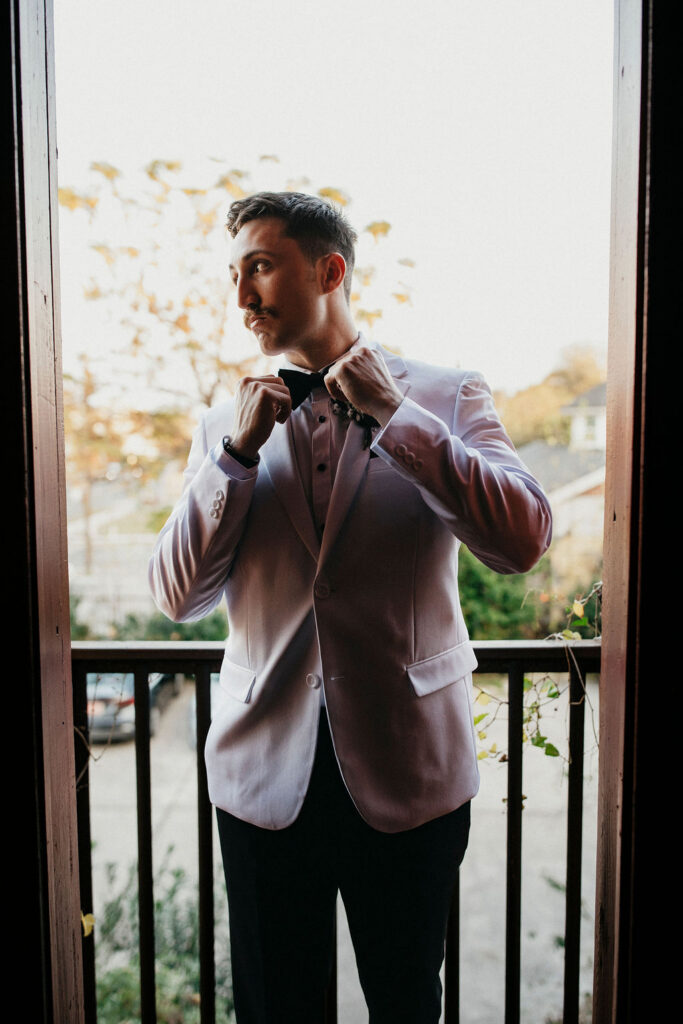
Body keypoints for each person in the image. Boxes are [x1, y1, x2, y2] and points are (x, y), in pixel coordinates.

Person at [149, 192, 552, 1023]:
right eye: (234, 274)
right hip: (263, 779)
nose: (241, 297)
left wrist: (397, 419)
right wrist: (234, 455)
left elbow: (521, 541)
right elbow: (177, 596)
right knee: (276, 1008)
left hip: (409, 772)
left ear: (328, 271)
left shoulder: (445, 394)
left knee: (406, 1004)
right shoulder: (221, 424)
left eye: (259, 267)